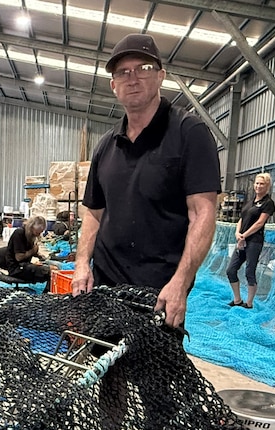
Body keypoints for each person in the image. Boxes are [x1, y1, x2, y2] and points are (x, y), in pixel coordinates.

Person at [72, 33, 221, 330]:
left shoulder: (189, 134)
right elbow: (93, 211)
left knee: (152, 373)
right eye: (123, 72)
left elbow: (203, 212)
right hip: (105, 288)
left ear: (161, 77)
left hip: (160, 293)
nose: (133, 78)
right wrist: (81, 265)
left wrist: (181, 282)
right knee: (105, 369)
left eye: (144, 68)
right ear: (114, 85)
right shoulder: (106, 145)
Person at [227, 173, 275, 309]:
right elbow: (241, 219)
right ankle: (237, 300)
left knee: (249, 271)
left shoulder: (268, 203)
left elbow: (260, 223)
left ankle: (249, 303)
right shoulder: (250, 202)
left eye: (262, 184)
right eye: (257, 183)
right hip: (241, 240)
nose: (259, 186)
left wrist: (244, 236)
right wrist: (238, 233)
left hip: (254, 241)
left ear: (267, 186)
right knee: (231, 269)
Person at [5, 215, 51, 284]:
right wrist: (33, 251)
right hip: (16, 268)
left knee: (48, 266)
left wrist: (40, 256)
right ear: (32, 227)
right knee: (46, 272)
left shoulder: (30, 235)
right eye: (37, 232)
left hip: (25, 264)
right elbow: (19, 257)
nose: (38, 235)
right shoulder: (19, 233)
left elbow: (29, 250)